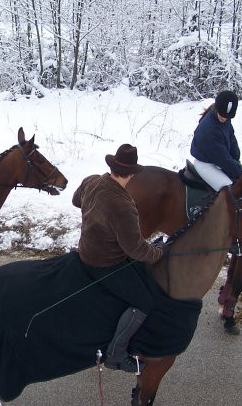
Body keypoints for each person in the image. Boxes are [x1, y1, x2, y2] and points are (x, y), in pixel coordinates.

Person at [72, 144, 166, 373]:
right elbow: (134, 248)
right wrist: (157, 253)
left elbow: (76, 201)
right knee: (144, 301)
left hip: (85, 249)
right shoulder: (123, 205)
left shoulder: (92, 181)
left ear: (112, 166)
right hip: (104, 263)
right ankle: (115, 355)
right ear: (132, 174)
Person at [190, 90, 242, 191]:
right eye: (222, 115)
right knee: (231, 191)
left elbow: (232, 140)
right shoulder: (211, 130)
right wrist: (240, 172)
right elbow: (222, 159)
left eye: (227, 117)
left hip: (216, 160)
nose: (224, 118)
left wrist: (237, 162)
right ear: (217, 108)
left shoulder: (223, 116)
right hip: (205, 165)